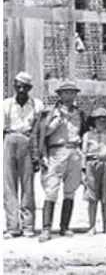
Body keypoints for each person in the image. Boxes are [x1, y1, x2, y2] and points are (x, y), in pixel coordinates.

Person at [39, 80, 87, 242]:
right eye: (66, 92)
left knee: (70, 190)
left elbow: (84, 132)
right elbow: (42, 133)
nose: (69, 96)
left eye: (72, 92)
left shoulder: (79, 113)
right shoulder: (52, 112)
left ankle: (64, 226)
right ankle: (46, 228)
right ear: (59, 95)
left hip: (74, 151)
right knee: (51, 189)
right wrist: (56, 122)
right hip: (57, 151)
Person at [3, 72, 44, 238]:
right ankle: (12, 226)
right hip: (9, 139)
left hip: (27, 140)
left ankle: (28, 225)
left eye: (24, 87)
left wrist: (38, 153)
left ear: (29, 88)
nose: (20, 89)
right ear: (13, 86)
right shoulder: (5, 104)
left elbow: (40, 129)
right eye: (17, 86)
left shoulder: (37, 105)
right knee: (9, 185)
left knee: (28, 185)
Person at [81, 108, 106, 235]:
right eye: (98, 120)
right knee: (92, 197)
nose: (101, 122)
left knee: (105, 197)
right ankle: (91, 226)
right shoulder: (87, 135)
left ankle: (105, 225)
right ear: (93, 121)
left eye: (104, 120)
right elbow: (83, 152)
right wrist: (83, 170)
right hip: (91, 164)